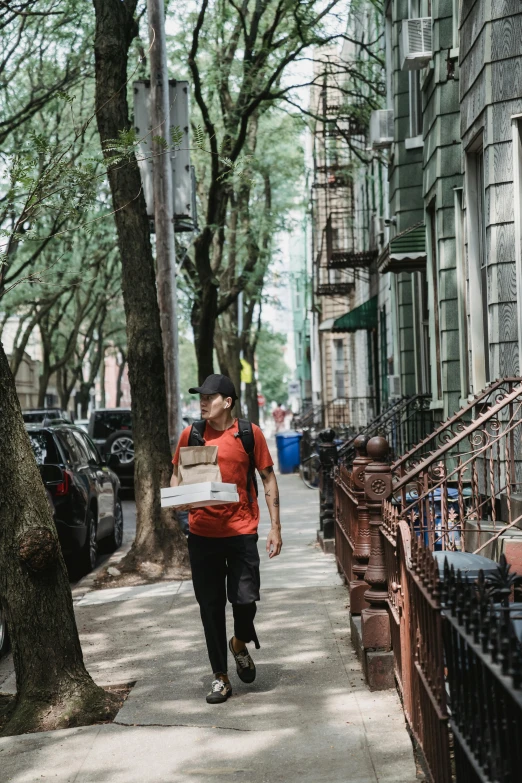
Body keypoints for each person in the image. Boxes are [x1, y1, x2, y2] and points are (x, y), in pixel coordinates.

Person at [171, 374, 282, 704]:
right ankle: (220, 676)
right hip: (202, 534)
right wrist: (179, 498)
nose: (202, 402)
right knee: (210, 607)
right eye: (200, 397)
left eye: (209, 397)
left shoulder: (249, 434)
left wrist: (275, 527)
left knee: (245, 599)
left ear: (227, 401)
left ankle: (239, 642)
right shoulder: (191, 435)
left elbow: (268, 479)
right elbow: (176, 478)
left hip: (242, 532)